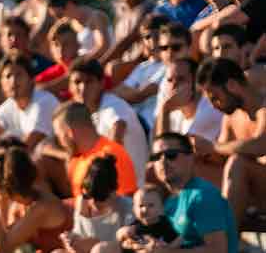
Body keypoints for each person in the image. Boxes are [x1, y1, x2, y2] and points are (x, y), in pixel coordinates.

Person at [89, 132, 237, 253]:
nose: (163, 161)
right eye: (156, 157)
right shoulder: (167, 200)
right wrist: (135, 242)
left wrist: (164, 252)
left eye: (171, 155)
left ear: (191, 158)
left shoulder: (203, 197)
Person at [40, 155, 132, 253]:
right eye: (89, 197)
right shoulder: (83, 205)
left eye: (100, 200)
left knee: (99, 252)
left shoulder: (127, 209)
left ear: (113, 192)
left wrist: (95, 245)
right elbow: (77, 244)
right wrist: (71, 244)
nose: (94, 204)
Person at [198, 57, 266, 226]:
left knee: (238, 163)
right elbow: (220, 155)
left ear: (232, 86)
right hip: (255, 192)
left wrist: (213, 147)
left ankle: (224, 240)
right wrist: (199, 153)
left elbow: (260, 146)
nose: (214, 106)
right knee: (183, 163)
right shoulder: (231, 117)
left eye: (215, 98)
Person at [69, 58, 148, 178]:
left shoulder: (113, 105)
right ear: (70, 87)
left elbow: (118, 128)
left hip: (130, 189)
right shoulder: (82, 113)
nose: (83, 88)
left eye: (89, 81)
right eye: (77, 82)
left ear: (102, 83)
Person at [154, 56, 224, 186]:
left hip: (223, 175)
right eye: (170, 80)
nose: (174, 85)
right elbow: (159, 154)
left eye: (181, 79)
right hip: (203, 173)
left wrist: (165, 110)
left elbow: (166, 150)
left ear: (196, 83)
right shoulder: (174, 111)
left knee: (178, 168)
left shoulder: (209, 109)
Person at [103, 0, 153, 66]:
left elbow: (127, 42)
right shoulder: (120, 11)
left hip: (143, 67)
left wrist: (101, 63)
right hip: (123, 65)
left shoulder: (148, 8)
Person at [46, 0, 111, 60]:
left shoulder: (95, 17)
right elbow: (52, 37)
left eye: (59, 15)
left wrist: (80, 63)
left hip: (99, 63)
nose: (58, 20)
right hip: (85, 64)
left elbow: (103, 47)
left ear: (69, 5)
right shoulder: (73, 22)